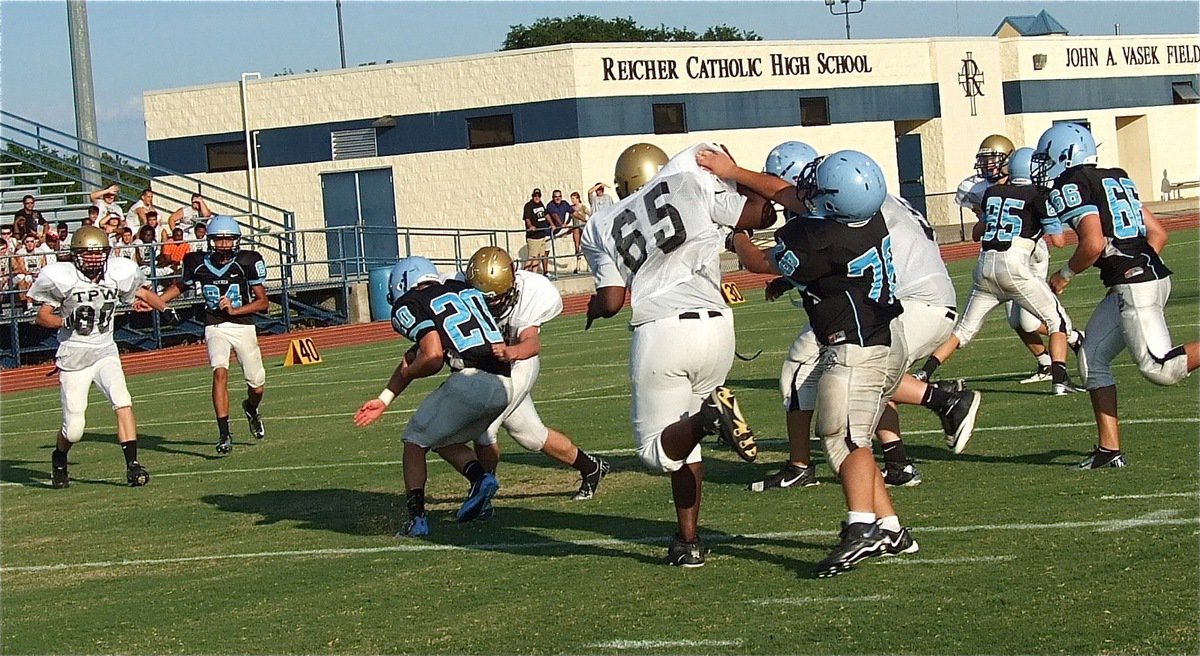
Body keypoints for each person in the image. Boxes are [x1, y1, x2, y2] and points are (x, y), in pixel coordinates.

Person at [700, 144, 980, 492]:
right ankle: (898, 463)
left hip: (900, 306)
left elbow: (761, 257)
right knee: (873, 385)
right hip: (918, 300)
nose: (796, 192)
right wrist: (789, 279)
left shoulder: (829, 212)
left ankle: (804, 466)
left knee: (803, 371)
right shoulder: (866, 201)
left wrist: (735, 230)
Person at [723, 150, 916, 577]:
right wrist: (735, 172)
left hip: (856, 347)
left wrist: (736, 233)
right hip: (888, 335)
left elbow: (757, 262)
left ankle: (861, 528)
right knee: (859, 439)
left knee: (841, 439)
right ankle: (891, 529)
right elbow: (793, 198)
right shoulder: (869, 211)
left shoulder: (816, 237)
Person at [581, 142, 769, 568]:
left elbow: (611, 300)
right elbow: (761, 214)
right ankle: (689, 541)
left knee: (653, 451)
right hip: (718, 327)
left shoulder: (599, 223)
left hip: (663, 330)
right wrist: (736, 172)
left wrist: (594, 308)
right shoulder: (689, 181)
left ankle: (710, 417)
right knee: (689, 445)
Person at [1035, 122, 1199, 469]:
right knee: (1092, 357)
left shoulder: (1074, 183)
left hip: (1135, 284)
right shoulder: (1116, 176)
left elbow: (1092, 244)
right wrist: (1138, 267)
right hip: (1143, 278)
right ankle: (1109, 450)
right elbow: (1158, 234)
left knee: (1160, 369)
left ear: (1064, 154)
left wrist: (1063, 276)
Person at [353, 256, 509, 537]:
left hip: (469, 381)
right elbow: (413, 357)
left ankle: (417, 520)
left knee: (413, 441)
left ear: (403, 283)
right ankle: (479, 479)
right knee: (443, 439)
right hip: (503, 384)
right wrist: (385, 398)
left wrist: (414, 371)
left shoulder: (410, 303)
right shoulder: (463, 289)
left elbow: (433, 356)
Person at [917, 146, 1082, 396]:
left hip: (985, 264)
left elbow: (976, 233)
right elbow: (1058, 241)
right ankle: (1060, 379)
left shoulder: (993, 192)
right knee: (1056, 321)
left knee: (964, 330)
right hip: (1014, 264)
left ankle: (924, 372)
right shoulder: (1038, 196)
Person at [462, 246, 610, 507]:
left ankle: (482, 495)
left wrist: (511, 352)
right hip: (492, 368)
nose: (491, 303)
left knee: (485, 425)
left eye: (497, 298)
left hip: (520, 364)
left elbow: (532, 344)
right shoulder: (464, 288)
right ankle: (591, 468)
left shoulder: (530, 293)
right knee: (531, 436)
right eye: (486, 298)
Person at [28, 226, 174, 488]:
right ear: (76, 255)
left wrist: (164, 308)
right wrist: (63, 320)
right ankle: (59, 457)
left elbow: (141, 292)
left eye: (99, 254)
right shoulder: (62, 277)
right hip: (74, 357)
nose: (95, 259)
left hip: (105, 351)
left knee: (122, 401)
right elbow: (42, 315)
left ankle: (132, 465)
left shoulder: (117, 273)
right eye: (88, 254)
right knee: (74, 429)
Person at [158, 216, 268, 454]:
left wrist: (236, 309)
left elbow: (262, 302)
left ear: (236, 241)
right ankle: (224, 434)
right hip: (215, 324)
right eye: (219, 239)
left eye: (228, 239)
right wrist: (155, 302)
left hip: (242, 325)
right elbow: (180, 286)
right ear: (210, 240)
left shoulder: (247, 261)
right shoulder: (197, 262)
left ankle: (251, 408)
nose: (224, 244)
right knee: (219, 372)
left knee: (256, 385)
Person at [956, 135, 1057, 384]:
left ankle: (1073, 338)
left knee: (1028, 321)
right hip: (999, 255)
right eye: (985, 159)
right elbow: (984, 223)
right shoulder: (976, 188)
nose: (988, 165)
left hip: (1028, 253)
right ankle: (1046, 364)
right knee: (1016, 321)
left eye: (993, 159)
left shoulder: (1028, 182)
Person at [522, 188, 551, 274]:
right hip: (533, 236)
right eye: (535, 196)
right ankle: (524, 274)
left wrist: (552, 224)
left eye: (538, 196)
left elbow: (546, 215)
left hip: (541, 234)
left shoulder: (541, 204)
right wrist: (530, 226)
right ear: (532, 196)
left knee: (538, 256)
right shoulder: (528, 206)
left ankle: (534, 274)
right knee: (532, 257)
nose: (537, 197)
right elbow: (527, 218)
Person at [566, 191, 590, 273]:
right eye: (571, 199)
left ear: (577, 198)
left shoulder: (583, 207)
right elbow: (569, 219)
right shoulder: (571, 208)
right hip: (575, 228)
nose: (572, 200)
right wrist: (565, 224)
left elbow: (590, 214)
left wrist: (588, 222)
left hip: (583, 228)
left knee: (585, 245)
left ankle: (588, 265)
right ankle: (578, 266)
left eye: (573, 198)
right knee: (577, 246)